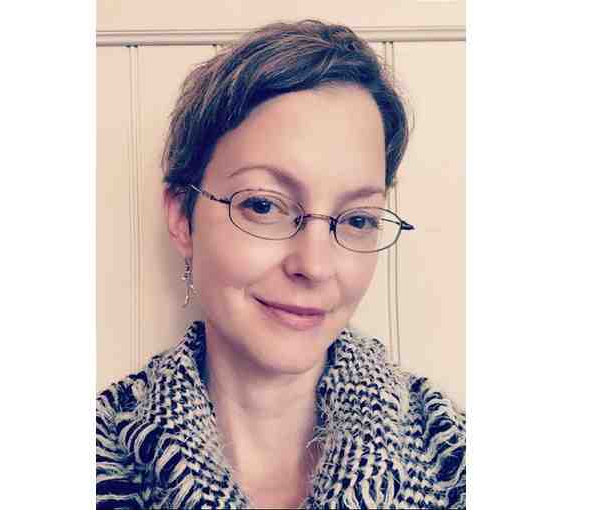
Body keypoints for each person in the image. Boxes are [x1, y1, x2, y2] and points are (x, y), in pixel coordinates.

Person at [96, 19, 465, 509]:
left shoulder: (454, 463)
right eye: (264, 205)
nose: (315, 265)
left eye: (357, 219)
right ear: (183, 217)